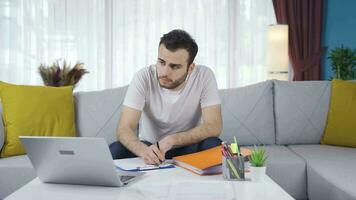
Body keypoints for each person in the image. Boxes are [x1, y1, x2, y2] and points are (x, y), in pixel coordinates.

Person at [109, 29, 222, 165]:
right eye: (161, 62)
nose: (164, 72)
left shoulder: (204, 76)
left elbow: (214, 126)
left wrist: (172, 140)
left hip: (188, 146)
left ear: (190, 68)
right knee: (115, 150)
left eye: (174, 67)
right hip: (150, 146)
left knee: (214, 145)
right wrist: (144, 151)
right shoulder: (143, 77)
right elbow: (124, 128)